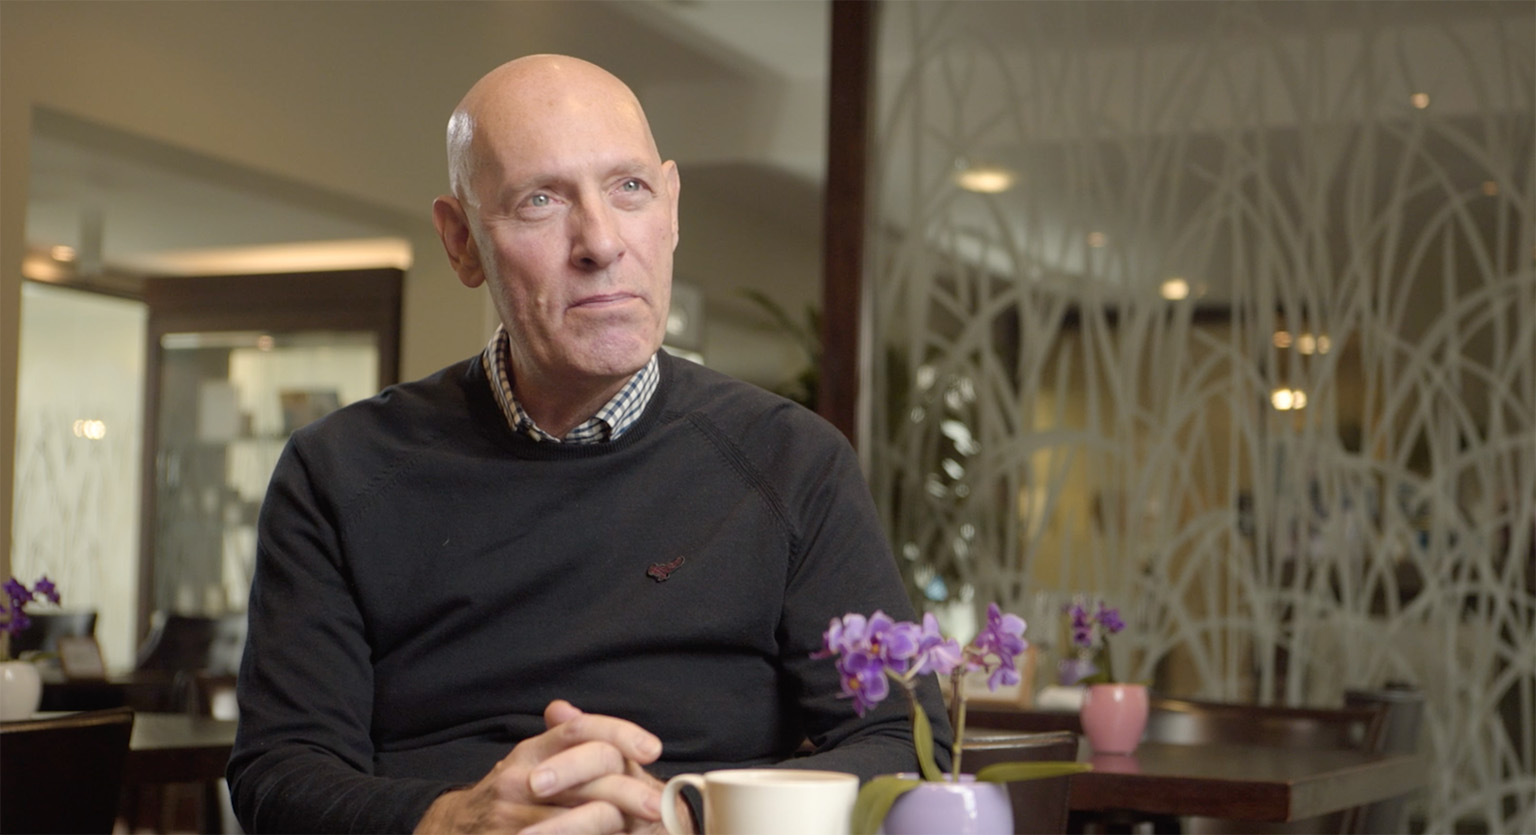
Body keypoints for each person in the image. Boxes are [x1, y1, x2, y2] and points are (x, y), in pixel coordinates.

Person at [227, 54, 950, 834]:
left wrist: (678, 811)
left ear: (671, 207)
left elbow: (904, 743)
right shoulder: (336, 471)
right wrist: (456, 819)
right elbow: (280, 770)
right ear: (462, 242)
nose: (600, 242)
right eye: (540, 200)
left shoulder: (793, 461)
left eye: (629, 188)